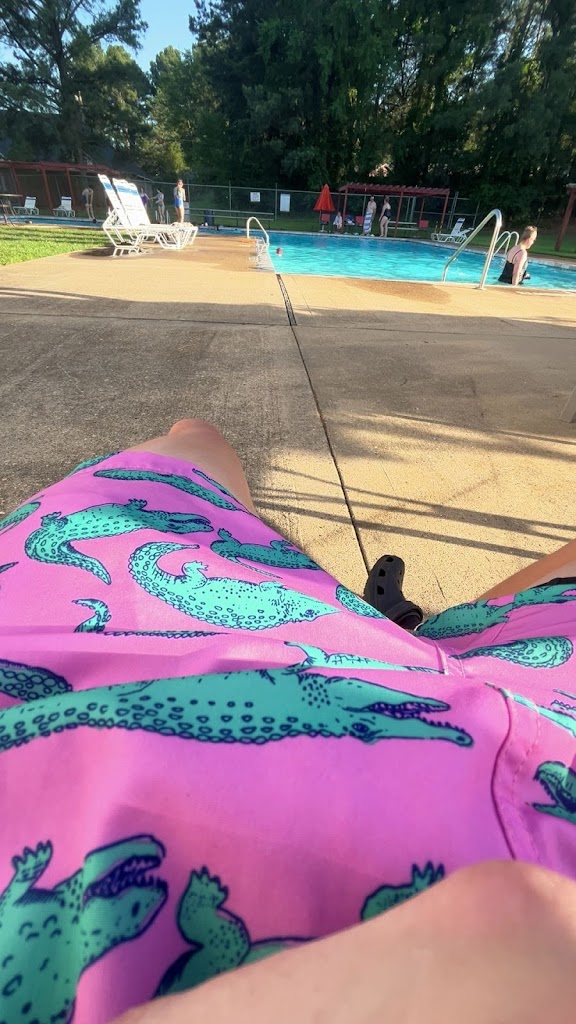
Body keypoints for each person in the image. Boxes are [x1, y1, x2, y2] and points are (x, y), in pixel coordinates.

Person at [2, 417, 576, 1022]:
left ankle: (405, 633)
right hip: (522, 773)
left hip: (107, 697)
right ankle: (413, 633)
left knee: (195, 442)